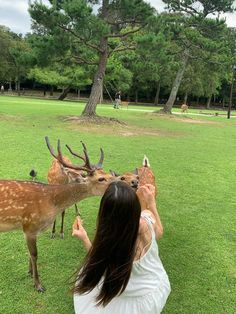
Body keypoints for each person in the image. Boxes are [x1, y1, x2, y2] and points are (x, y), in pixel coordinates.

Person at [72, 181, 171, 313]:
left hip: (123, 305)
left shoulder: (109, 244)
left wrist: (84, 237)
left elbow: (97, 263)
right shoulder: (147, 221)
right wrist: (151, 203)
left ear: (105, 214)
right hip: (153, 292)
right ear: (135, 208)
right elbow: (158, 232)